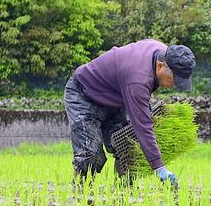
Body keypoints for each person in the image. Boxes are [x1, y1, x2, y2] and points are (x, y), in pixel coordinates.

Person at [64, 39, 196, 186]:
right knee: (91, 155)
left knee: (127, 147)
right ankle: (80, 196)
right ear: (160, 66)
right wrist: (159, 167)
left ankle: (125, 192)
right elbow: (143, 127)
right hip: (84, 95)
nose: (174, 85)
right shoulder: (138, 79)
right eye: (173, 80)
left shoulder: (163, 53)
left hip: (116, 97)